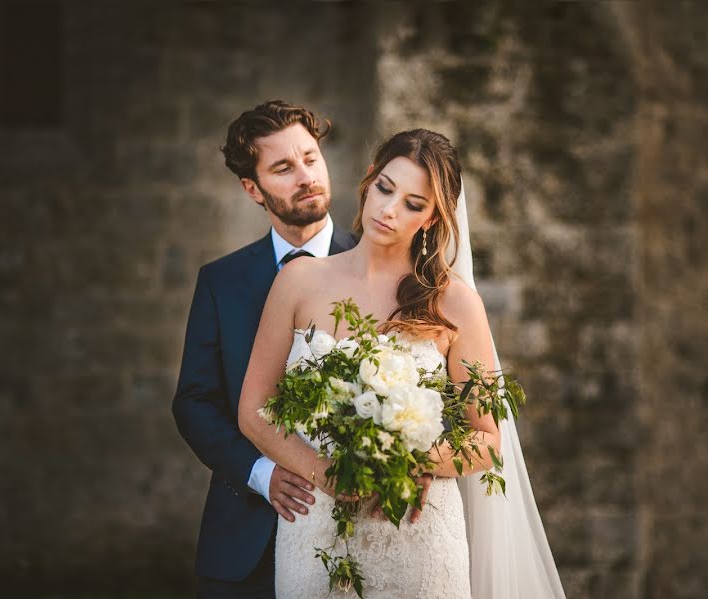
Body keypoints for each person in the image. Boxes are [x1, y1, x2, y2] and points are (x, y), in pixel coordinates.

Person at [238, 129, 566, 598]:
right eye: (386, 188)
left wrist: (415, 461)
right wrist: (321, 470)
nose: (389, 210)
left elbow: (489, 438)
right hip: (315, 528)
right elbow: (253, 409)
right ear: (369, 182)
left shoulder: (454, 303)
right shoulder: (298, 281)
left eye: (414, 204)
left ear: (433, 218)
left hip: (420, 534)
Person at [172, 100, 357, 599]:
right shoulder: (221, 282)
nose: (306, 176)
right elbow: (194, 402)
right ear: (252, 189)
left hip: (357, 535)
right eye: (283, 167)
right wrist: (261, 472)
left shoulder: (374, 269)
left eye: (311, 158)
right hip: (245, 545)